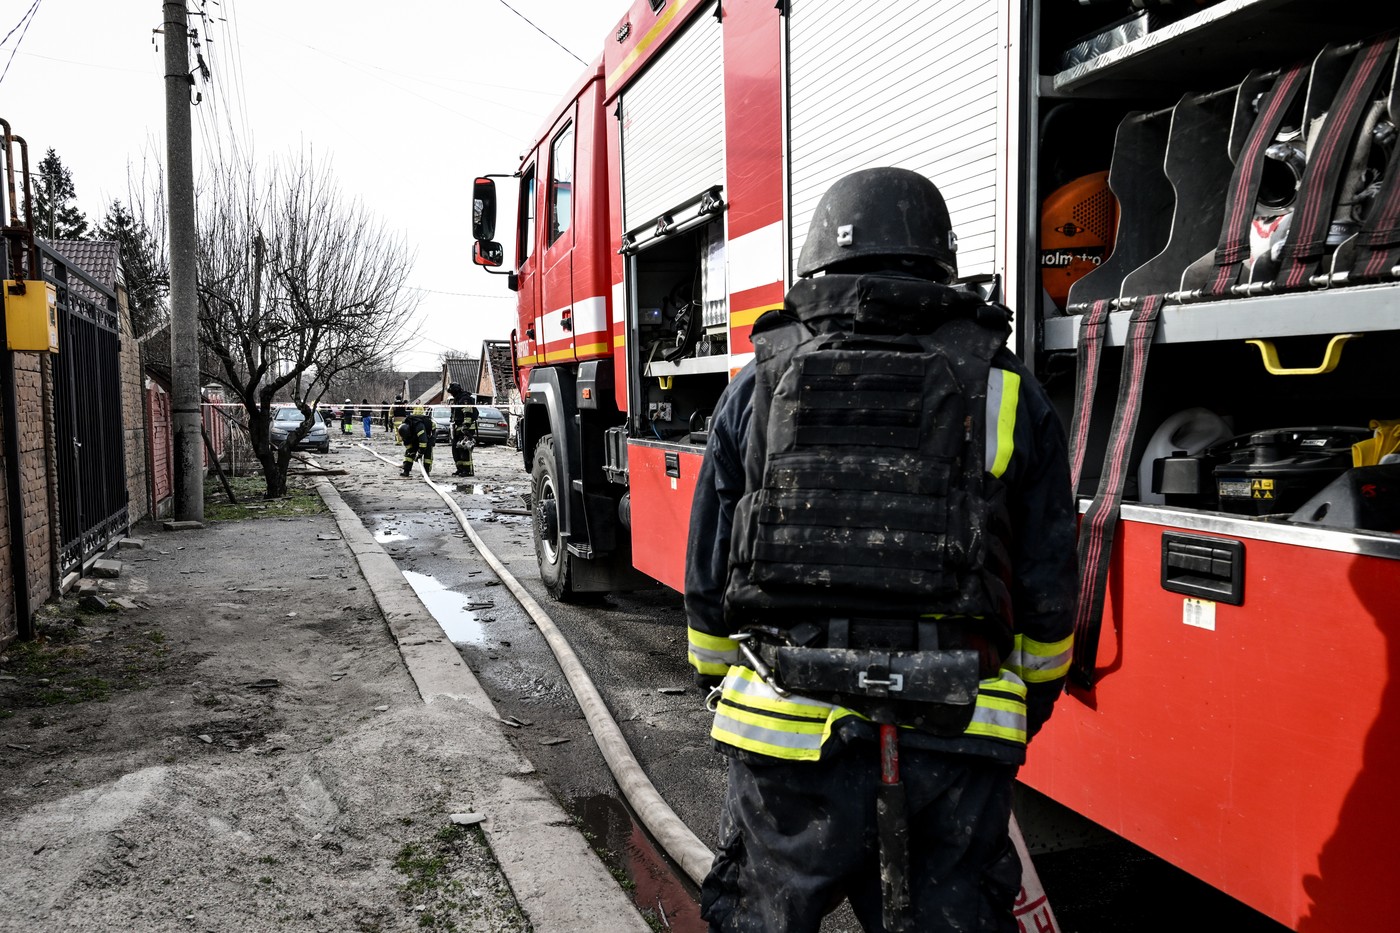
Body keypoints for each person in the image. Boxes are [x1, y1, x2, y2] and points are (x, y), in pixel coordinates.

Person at [684, 167, 1076, 933]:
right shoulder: (1007, 389)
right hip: (956, 736)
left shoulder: (756, 384)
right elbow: (1049, 586)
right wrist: (1022, 705)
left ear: (816, 263)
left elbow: (707, 581)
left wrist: (721, 676)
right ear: (941, 261)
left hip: (788, 735)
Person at [446, 382, 479, 476]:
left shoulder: (465, 398)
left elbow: (468, 412)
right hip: (457, 427)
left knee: (464, 449)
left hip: (466, 428)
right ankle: (460, 469)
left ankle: (467, 470)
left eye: (451, 392)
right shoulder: (457, 399)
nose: (451, 394)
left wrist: (465, 426)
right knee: (455, 449)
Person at [396, 405, 435, 476]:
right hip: (415, 435)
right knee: (409, 453)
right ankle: (406, 470)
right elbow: (407, 444)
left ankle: (426, 472)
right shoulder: (403, 428)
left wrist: (419, 454)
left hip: (428, 434)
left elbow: (423, 443)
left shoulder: (419, 426)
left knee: (427, 451)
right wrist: (411, 452)